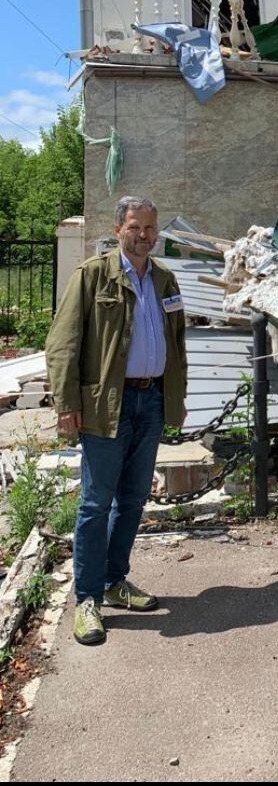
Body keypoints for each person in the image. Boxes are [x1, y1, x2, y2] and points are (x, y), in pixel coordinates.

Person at [46, 196, 187, 646]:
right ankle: (87, 599)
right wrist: (66, 404)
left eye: (150, 228)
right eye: (135, 227)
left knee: (133, 499)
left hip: (151, 402)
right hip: (107, 404)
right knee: (95, 503)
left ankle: (113, 580)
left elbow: (177, 344)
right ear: (118, 229)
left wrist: (176, 399)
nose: (144, 235)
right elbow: (62, 343)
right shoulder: (92, 275)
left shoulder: (164, 279)